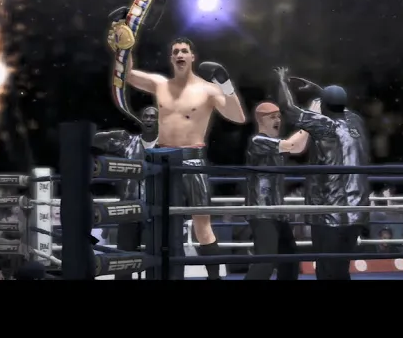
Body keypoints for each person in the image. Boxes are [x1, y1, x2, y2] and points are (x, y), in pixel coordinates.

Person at [120, 34, 247, 279]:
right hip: (162, 159)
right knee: (159, 219)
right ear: (171, 58)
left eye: (184, 51)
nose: (179, 54)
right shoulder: (160, 85)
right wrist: (126, 46)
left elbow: (238, 117)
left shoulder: (207, 89)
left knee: (202, 226)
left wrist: (226, 85)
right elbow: (127, 75)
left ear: (192, 57)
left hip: (192, 159)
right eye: (176, 51)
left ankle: (214, 278)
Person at [273, 67, 370, 280]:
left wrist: (282, 81)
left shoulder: (323, 124)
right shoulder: (356, 121)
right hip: (357, 210)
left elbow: (288, 108)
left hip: (330, 211)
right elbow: (338, 104)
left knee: (327, 270)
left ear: (324, 105)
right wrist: (320, 91)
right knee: (340, 269)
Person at [244, 100, 318, 280]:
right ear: (261, 120)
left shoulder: (276, 143)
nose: (277, 120)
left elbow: (298, 146)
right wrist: (310, 119)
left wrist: (310, 122)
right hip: (261, 210)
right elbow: (292, 145)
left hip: (277, 210)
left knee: (290, 259)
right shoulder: (257, 141)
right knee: (266, 262)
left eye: (278, 116)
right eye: (272, 117)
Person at [92, 106, 158, 280]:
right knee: (124, 259)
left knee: (155, 259)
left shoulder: (166, 144)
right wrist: (110, 134)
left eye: (153, 117)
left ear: (160, 121)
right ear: (140, 120)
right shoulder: (129, 142)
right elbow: (92, 140)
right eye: (145, 116)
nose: (149, 119)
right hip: (129, 209)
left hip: (155, 210)